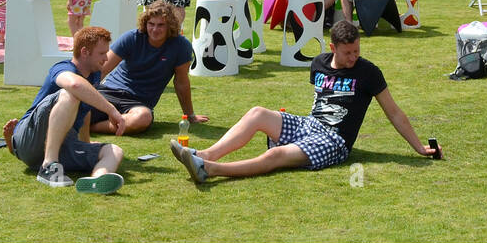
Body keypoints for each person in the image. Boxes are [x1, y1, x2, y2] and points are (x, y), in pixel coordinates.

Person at [170, 20, 438, 182]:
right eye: (347, 53)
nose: (353, 57)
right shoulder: (319, 63)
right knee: (257, 113)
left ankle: (211, 170)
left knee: (275, 155)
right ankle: (204, 156)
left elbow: (394, 112)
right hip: (310, 125)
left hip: (334, 141)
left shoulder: (368, 72)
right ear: (332, 48)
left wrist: (419, 148)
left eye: (356, 51)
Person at [2, 26, 127, 193]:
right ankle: (48, 166)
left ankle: (97, 180)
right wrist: (111, 110)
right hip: (30, 141)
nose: (106, 58)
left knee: (114, 150)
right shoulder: (61, 68)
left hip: (64, 144)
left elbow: (86, 110)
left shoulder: (94, 76)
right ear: (84, 52)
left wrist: (86, 142)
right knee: (71, 94)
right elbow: (75, 85)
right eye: (102, 53)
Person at [89, 1, 205, 136]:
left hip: (138, 103)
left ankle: (90, 127)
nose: (155, 29)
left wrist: (190, 115)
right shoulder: (131, 38)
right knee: (74, 107)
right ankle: (92, 122)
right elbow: (101, 69)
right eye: (151, 24)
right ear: (145, 23)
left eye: (161, 25)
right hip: (109, 92)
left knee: (142, 119)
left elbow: (181, 82)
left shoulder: (181, 46)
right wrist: (86, 94)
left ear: (170, 26)